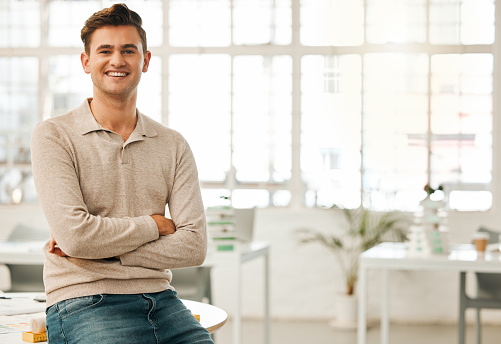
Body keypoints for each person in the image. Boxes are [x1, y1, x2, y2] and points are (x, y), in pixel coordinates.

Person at [30, 4, 213, 344]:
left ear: (144, 60)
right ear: (86, 62)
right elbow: (76, 236)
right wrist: (153, 226)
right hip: (85, 301)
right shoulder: (53, 135)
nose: (117, 60)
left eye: (128, 50)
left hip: (162, 299)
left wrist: (104, 251)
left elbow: (194, 246)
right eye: (105, 50)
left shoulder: (173, 144)